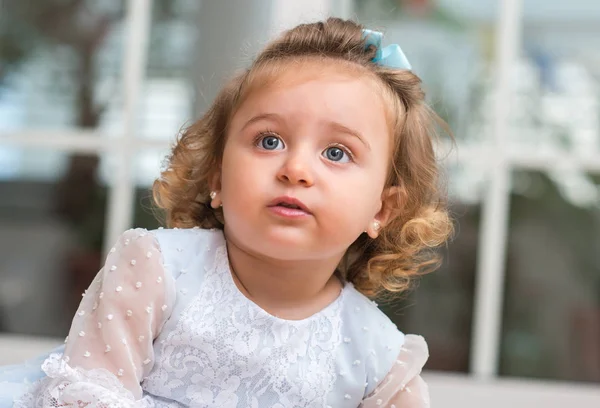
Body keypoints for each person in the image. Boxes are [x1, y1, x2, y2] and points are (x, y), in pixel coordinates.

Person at [0, 17, 453, 407]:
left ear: (384, 208)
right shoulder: (157, 269)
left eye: (336, 152)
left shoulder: (381, 359)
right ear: (217, 175)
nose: (295, 169)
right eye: (268, 141)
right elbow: (88, 394)